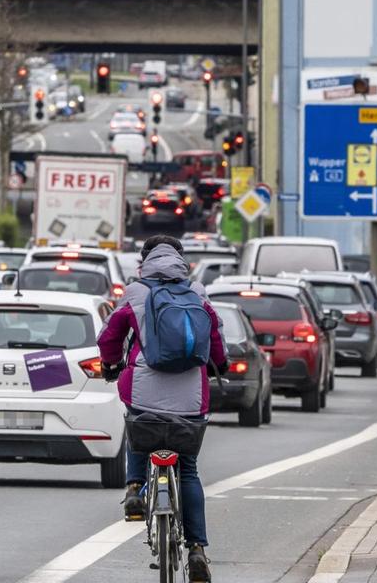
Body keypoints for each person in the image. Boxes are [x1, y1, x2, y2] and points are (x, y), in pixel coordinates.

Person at [98, 235, 227, 583]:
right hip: (190, 397)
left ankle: (133, 489)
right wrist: (221, 365)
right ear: (182, 262)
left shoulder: (135, 294)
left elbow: (109, 337)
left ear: (144, 262)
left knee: (138, 427)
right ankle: (197, 549)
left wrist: (110, 365)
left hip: (144, 390)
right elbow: (214, 336)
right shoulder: (198, 293)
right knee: (188, 470)